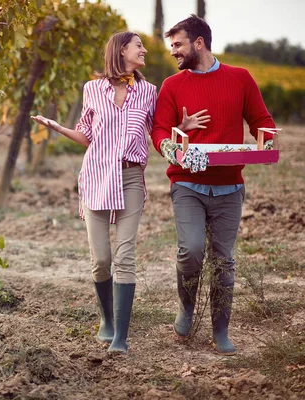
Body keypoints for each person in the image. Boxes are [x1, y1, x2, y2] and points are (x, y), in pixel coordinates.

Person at [31, 31, 204, 355]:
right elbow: (86, 135)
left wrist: (182, 127)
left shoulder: (148, 92)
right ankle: (107, 321)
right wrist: (56, 127)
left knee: (124, 258)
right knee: (101, 261)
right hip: (97, 176)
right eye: (138, 45)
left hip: (130, 178)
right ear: (121, 50)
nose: (144, 51)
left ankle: (120, 339)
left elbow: (158, 130)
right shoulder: (92, 89)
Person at [151, 14, 276, 355]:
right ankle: (187, 309)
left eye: (177, 45)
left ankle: (220, 330)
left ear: (199, 43)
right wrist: (171, 145)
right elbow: (160, 129)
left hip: (229, 188)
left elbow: (261, 120)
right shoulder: (172, 86)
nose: (174, 52)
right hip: (188, 185)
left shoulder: (240, 78)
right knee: (190, 250)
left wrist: (265, 140)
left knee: (223, 261)